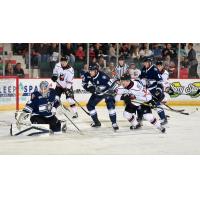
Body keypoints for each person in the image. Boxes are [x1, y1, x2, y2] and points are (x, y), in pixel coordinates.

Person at [82, 63, 119, 130]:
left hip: (107, 92)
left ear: (96, 71)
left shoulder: (103, 77)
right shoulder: (87, 75)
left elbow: (112, 86)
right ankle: (96, 122)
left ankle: (114, 123)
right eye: (89, 70)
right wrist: (89, 87)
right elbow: (84, 83)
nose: (90, 72)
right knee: (89, 106)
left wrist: (113, 92)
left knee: (110, 106)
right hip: (98, 93)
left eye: (92, 71)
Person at [139, 57, 167, 125]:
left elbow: (160, 81)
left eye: (146, 62)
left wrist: (159, 90)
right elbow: (141, 78)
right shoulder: (143, 69)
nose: (145, 64)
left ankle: (163, 118)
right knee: (142, 103)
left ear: (150, 62)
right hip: (146, 91)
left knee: (157, 104)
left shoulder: (154, 69)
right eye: (144, 62)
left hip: (154, 90)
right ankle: (141, 117)